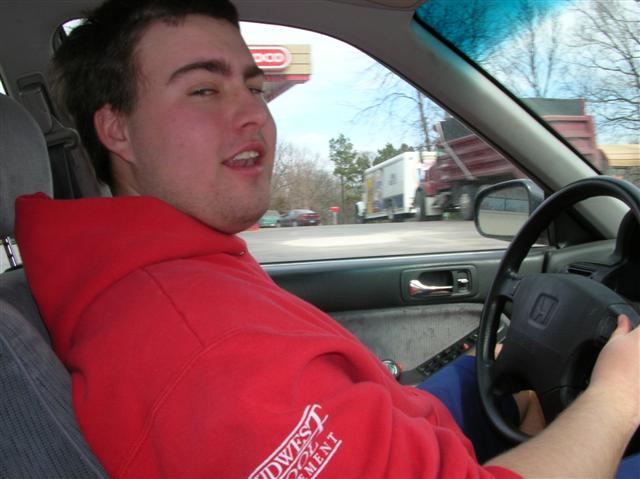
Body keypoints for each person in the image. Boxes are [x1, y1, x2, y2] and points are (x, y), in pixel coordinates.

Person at [14, 0, 639, 477]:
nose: (254, 114)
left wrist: (494, 375)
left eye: (254, 87)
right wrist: (615, 399)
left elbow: (353, 422)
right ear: (117, 131)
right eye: (203, 89)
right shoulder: (201, 348)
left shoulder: (174, 268)